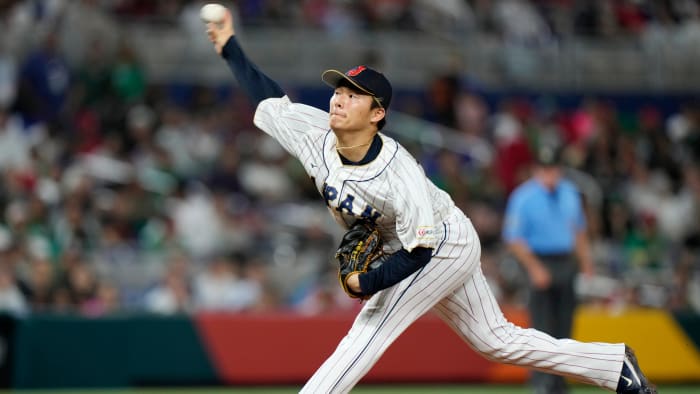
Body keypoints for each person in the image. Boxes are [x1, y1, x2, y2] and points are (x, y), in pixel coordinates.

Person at [204, 9, 656, 394]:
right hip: (415, 242)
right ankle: (615, 365)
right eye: (338, 89)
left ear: (377, 114)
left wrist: (372, 281)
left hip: (442, 244)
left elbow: (421, 249)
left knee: (370, 328)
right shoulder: (314, 133)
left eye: (353, 95)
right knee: (496, 340)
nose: (339, 98)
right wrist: (228, 44)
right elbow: (268, 98)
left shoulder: (398, 173)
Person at [503, 145, 595, 394]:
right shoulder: (523, 197)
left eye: (553, 169)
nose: (550, 175)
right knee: (541, 328)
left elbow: (578, 231)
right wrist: (534, 268)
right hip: (538, 259)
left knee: (565, 328)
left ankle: (560, 383)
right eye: (545, 170)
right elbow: (514, 238)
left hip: (566, 261)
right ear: (536, 170)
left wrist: (586, 262)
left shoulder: (570, 193)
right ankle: (541, 384)